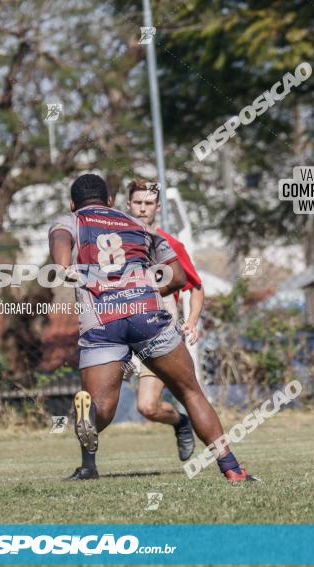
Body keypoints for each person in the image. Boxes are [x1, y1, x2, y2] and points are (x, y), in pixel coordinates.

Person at [48, 173, 256, 482]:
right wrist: (143, 288)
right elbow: (177, 277)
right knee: (190, 392)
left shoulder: (70, 220)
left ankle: (88, 435)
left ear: (72, 203)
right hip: (147, 315)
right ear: (110, 202)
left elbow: (60, 240)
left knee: (101, 407)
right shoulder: (139, 225)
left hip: (103, 319)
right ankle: (232, 469)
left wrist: (63, 266)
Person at [125, 179, 203, 462]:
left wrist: (191, 321)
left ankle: (181, 422)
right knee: (92, 400)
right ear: (128, 205)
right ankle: (87, 467)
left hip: (157, 333)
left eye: (148, 203)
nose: (142, 208)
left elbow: (195, 286)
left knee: (147, 407)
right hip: (118, 333)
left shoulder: (170, 244)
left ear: (157, 207)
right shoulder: (113, 243)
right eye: (138, 202)